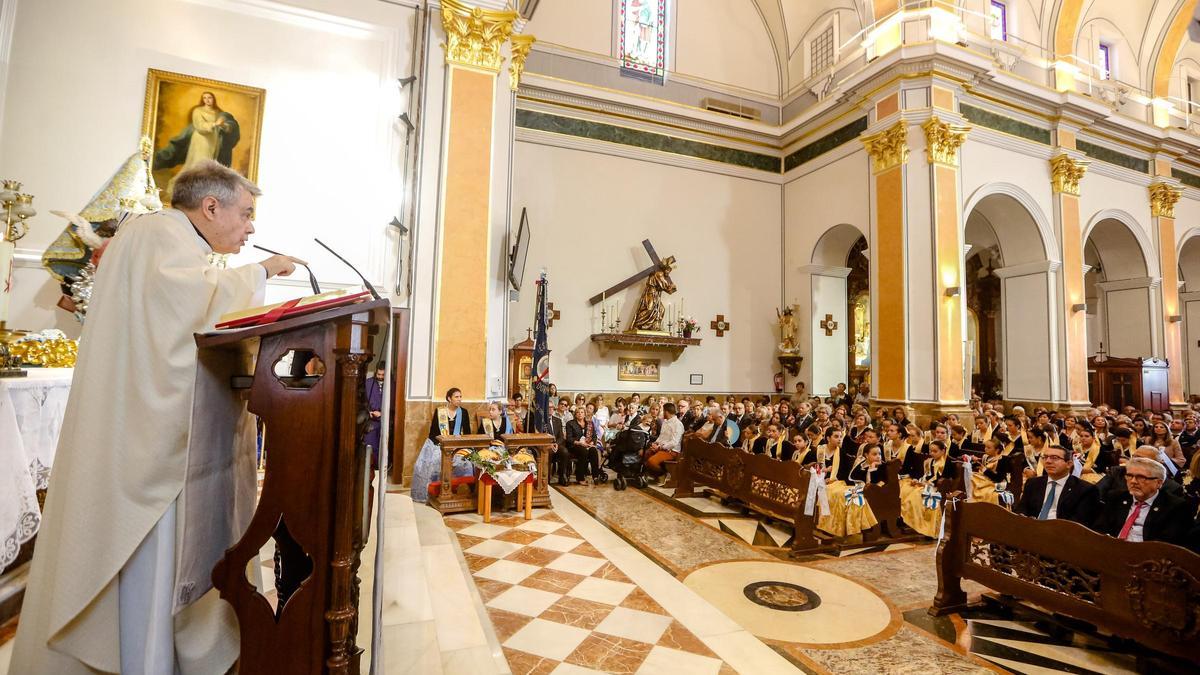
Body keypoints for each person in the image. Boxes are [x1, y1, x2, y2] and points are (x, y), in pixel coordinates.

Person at [11, 161, 301, 674]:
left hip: (154, 432)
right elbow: (188, 307)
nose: (251, 227)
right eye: (246, 213)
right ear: (210, 207)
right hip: (146, 447)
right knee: (149, 561)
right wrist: (261, 271)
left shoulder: (175, 242)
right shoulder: (156, 235)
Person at [1093, 457, 1192, 544]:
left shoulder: (1175, 506)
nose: (1133, 481)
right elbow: (1099, 528)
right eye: (1130, 476)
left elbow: (1166, 544)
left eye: (1141, 477)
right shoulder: (1116, 497)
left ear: (1158, 483)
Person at [1015, 445, 1098, 525]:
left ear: (1069, 464)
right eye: (1045, 457)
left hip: (1062, 533)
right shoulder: (1033, 483)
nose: (1048, 461)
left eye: (1054, 458)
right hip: (1031, 529)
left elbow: (1079, 522)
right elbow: (1021, 510)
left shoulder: (1085, 489)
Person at [644, 402, 684, 483]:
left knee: (651, 462)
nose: (661, 413)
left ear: (666, 412)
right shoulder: (665, 422)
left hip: (672, 451)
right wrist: (655, 444)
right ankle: (653, 475)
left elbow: (674, 442)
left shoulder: (678, 424)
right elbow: (661, 437)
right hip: (661, 448)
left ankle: (663, 474)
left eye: (663, 410)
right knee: (644, 454)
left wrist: (660, 447)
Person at [566, 406, 604, 484]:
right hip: (575, 445)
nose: (580, 414)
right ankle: (580, 478)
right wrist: (580, 443)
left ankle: (595, 476)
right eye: (578, 412)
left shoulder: (590, 423)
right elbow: (569, 438)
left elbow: (594, 436)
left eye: (582, 412)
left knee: (593, 451)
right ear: (575, 414)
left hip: (587, 445)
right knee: (583, 452)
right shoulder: (570, 423)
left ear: (585, 414)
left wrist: (592, 443)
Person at [364, 363, 386, 470]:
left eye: (383, 375)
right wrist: (368, 412)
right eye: (379, 374)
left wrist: (383, 414)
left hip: (385, 421)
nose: (381, 377)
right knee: (370, 446)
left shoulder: (392, 385)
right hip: (370, 420)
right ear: (375, 372)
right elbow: (362, 401)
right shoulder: (368, 383)